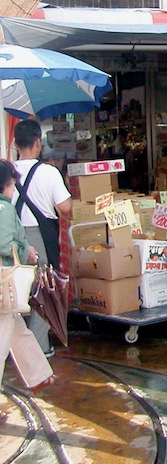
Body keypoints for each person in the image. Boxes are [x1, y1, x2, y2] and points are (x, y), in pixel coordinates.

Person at [0, 159, 55, 424]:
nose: (13, 191)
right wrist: (26, 251)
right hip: (3, 282)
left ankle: (39, 375)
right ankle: (38, 376)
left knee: (17, 329)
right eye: (12, 185)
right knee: (1, 342)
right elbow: (3, 243)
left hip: (4, 288)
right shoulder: (4, 208)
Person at [12, 120, 72, 358]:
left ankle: (12, 345)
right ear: (38, 143)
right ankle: (38, 346)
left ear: (15, 143)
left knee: (13, 291)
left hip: (10, 238)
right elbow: (65, 208)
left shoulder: (5, 171)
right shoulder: (49, 172)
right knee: (43, 291)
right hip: (40, 238)